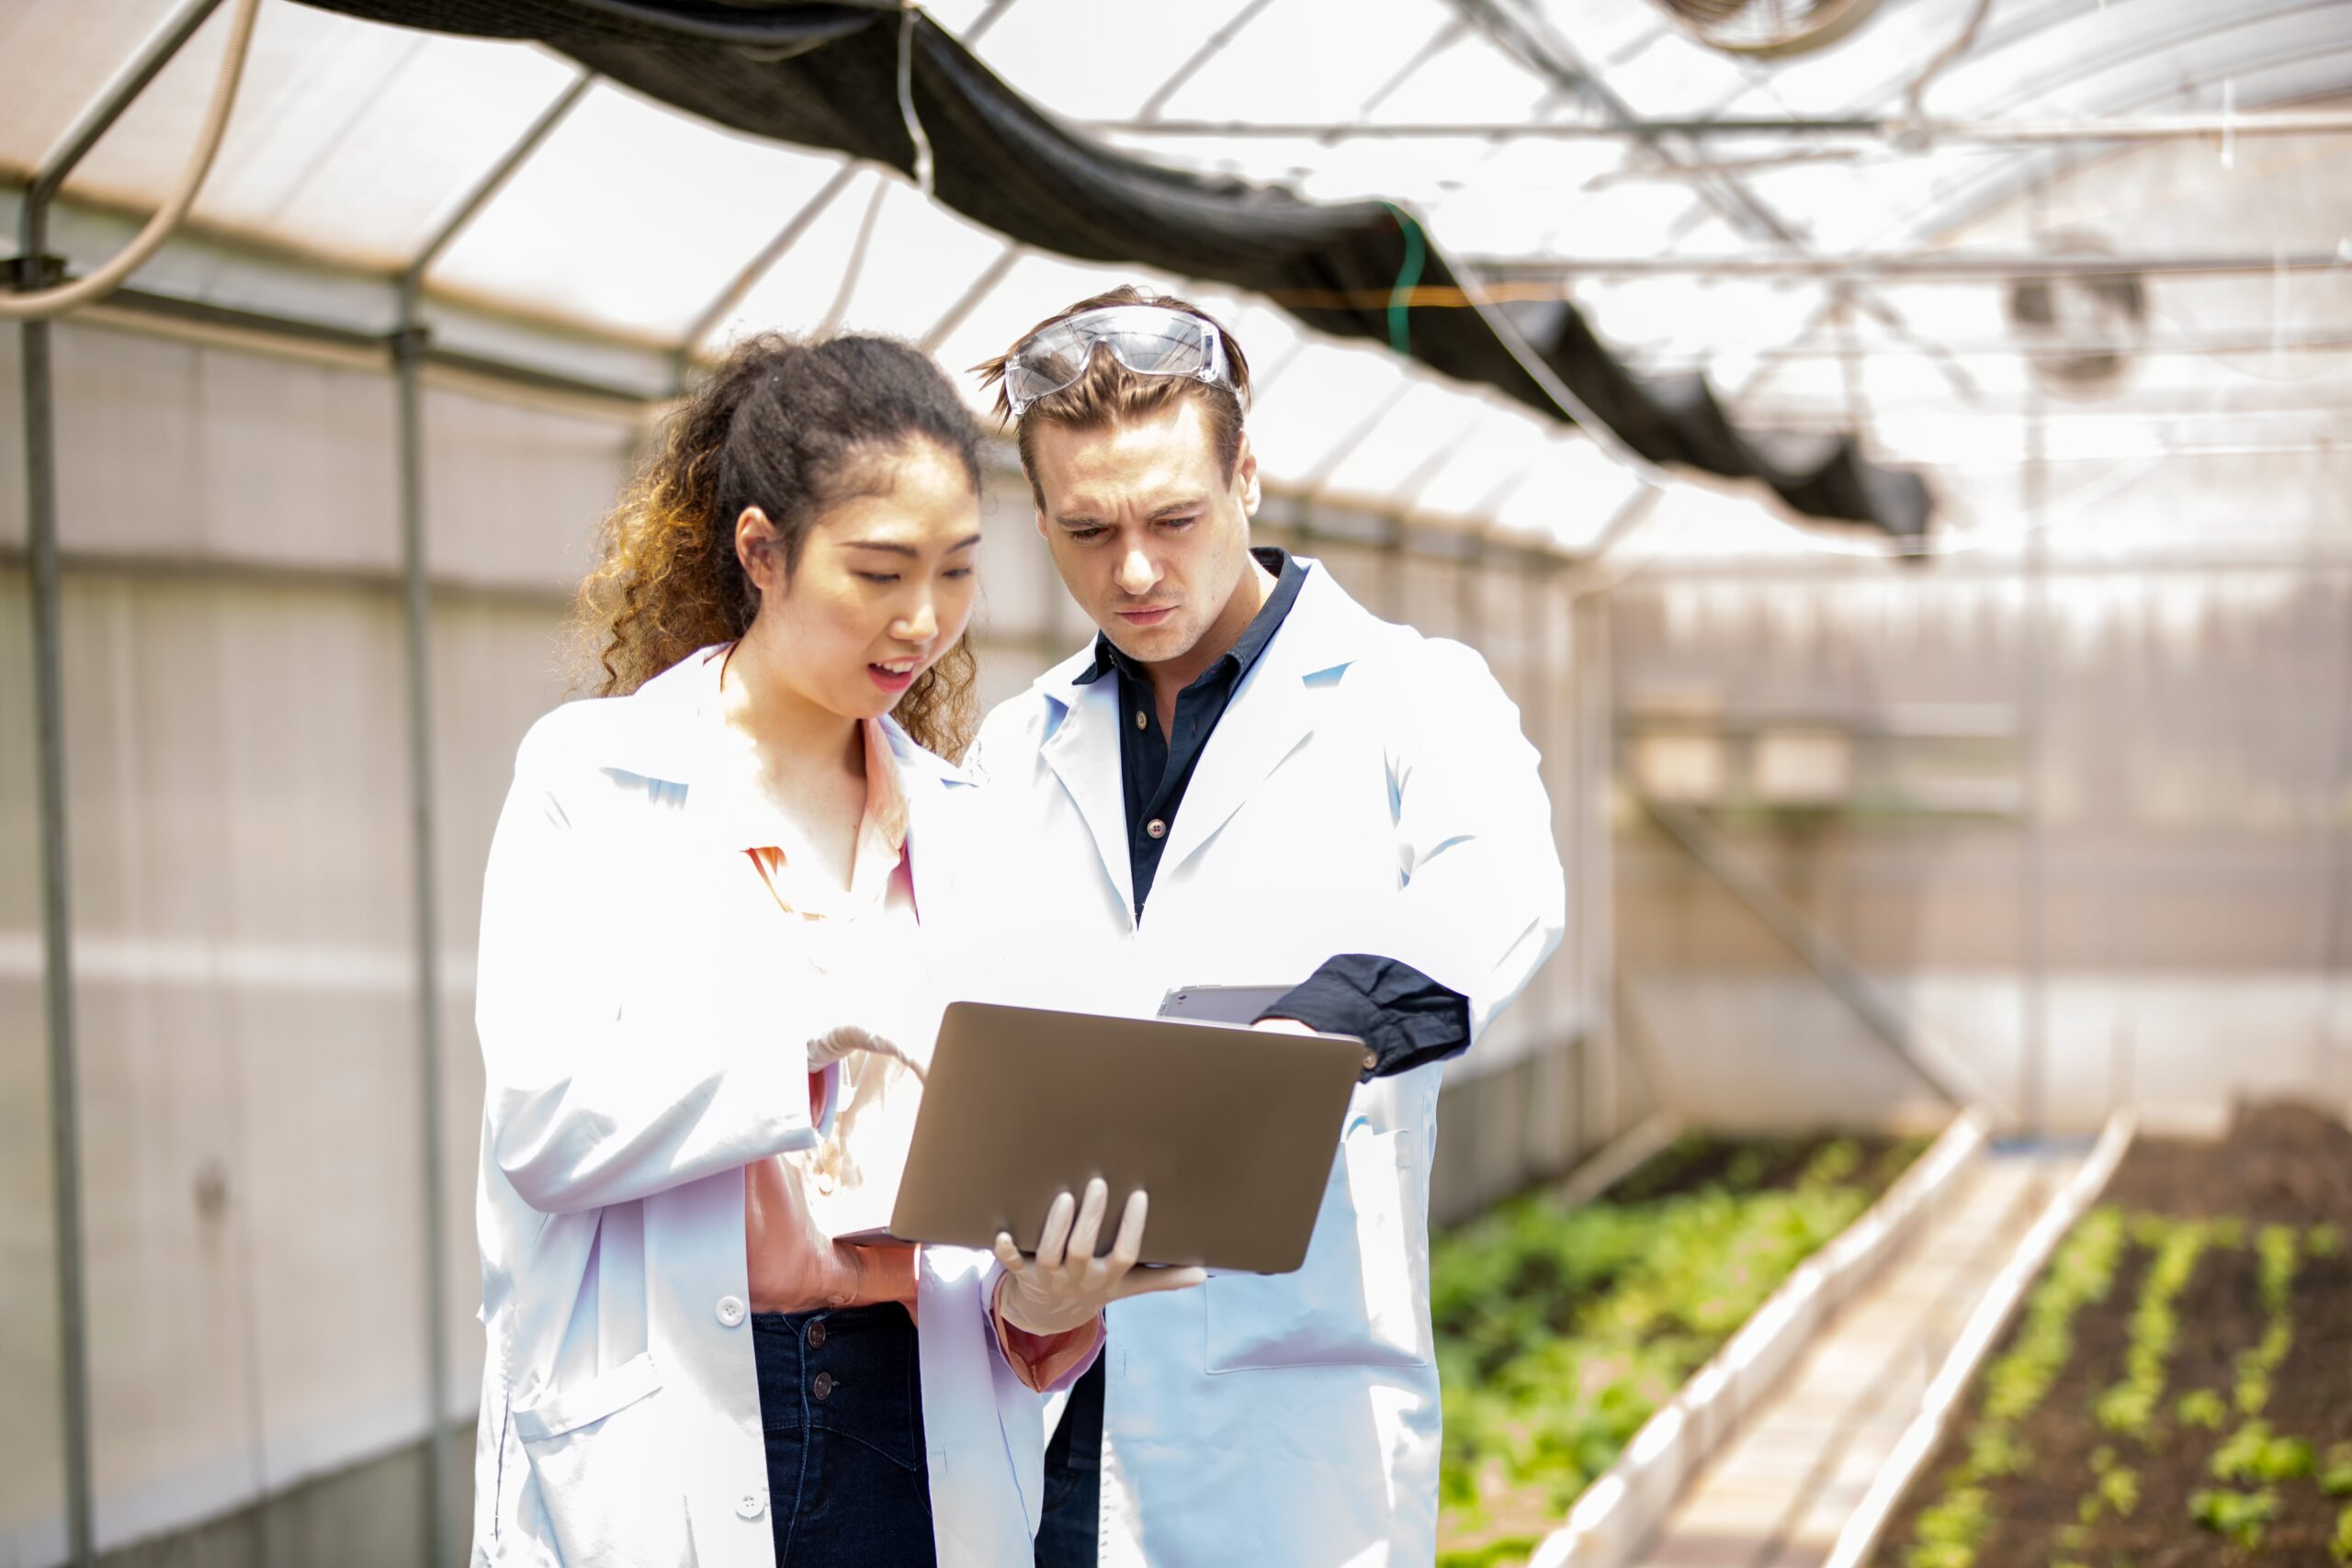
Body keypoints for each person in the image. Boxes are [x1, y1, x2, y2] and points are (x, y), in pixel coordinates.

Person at [468, 332, 1201, 1568]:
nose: (924, 620)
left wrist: (1049, 1303)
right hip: (680, 1427)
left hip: (910, 1425)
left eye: (958, 572)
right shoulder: (589, 779)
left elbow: (984, 1207)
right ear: (762, 551)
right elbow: (540, 1127)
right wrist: (811, 1017)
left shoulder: (969, 827)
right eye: (879, 571)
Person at [966, 289, 1566, 1566]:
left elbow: (1498, 899)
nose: (1133, 570)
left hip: (1288, 1440)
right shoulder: (1019, 747)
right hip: (1044, 1424)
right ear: (1039, 518)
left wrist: (1305, 1039)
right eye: (1088, 530)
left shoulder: (1410, 695)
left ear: (1248, 472)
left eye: (1175, 518)